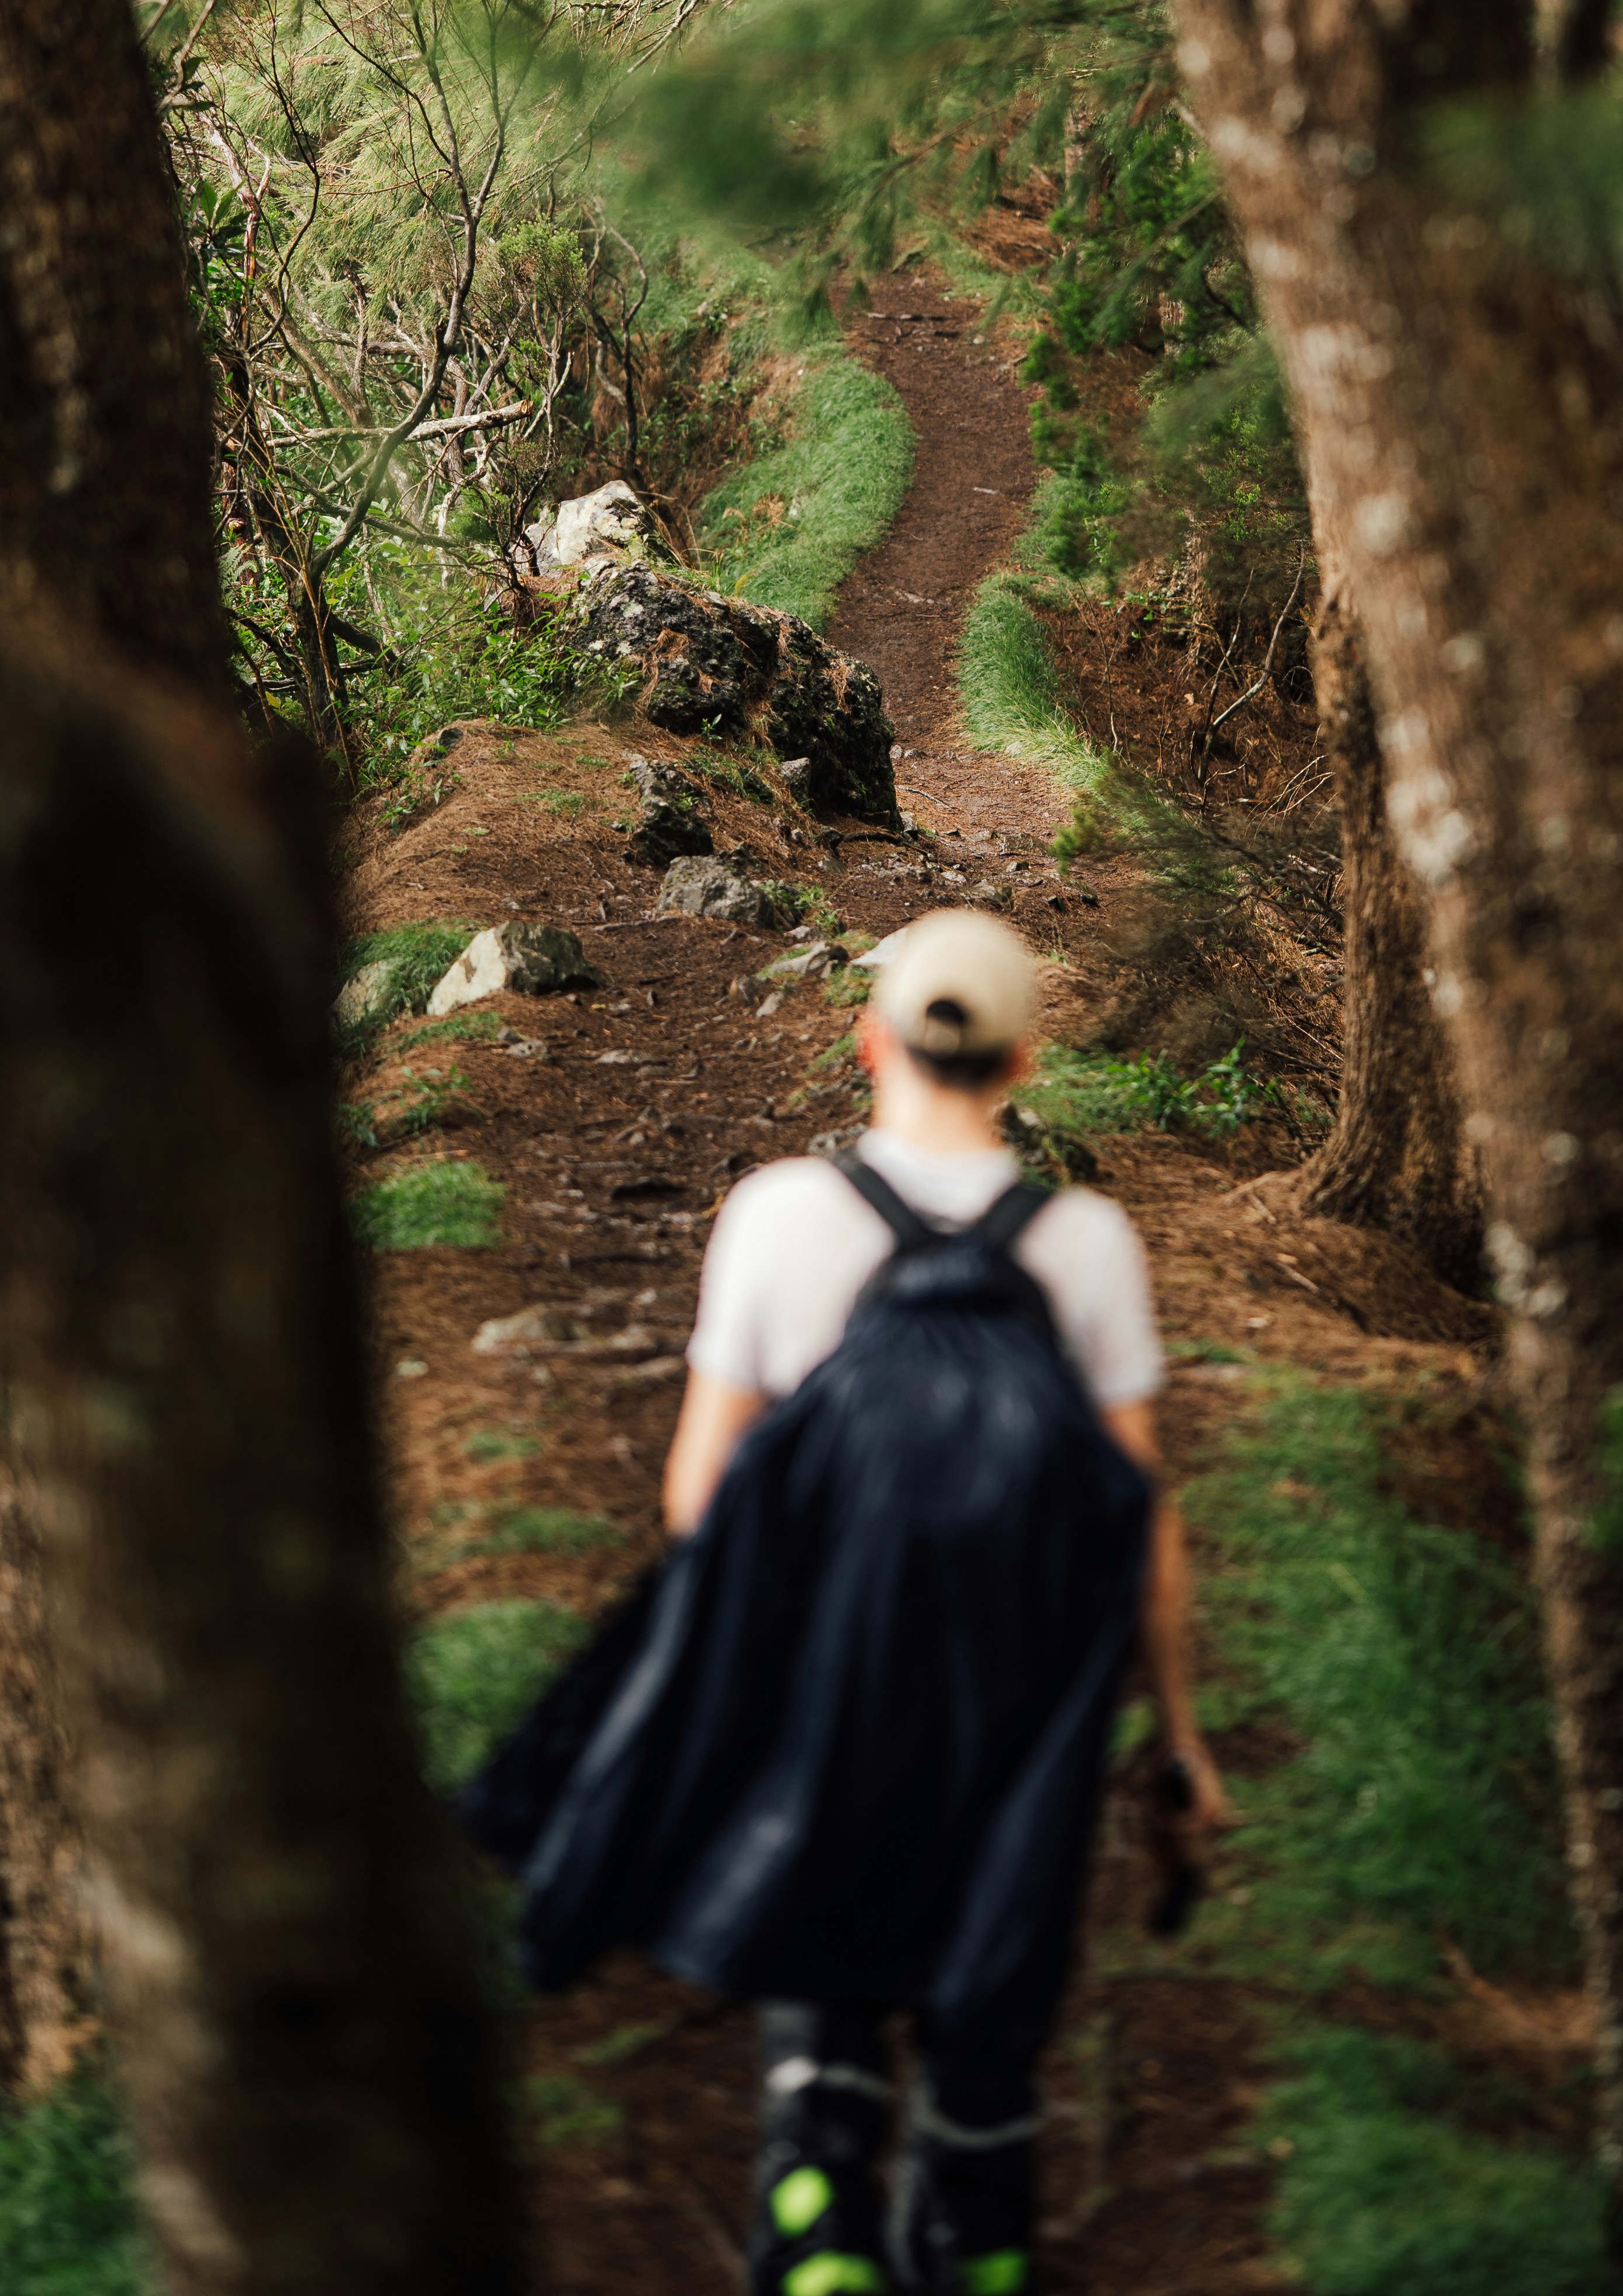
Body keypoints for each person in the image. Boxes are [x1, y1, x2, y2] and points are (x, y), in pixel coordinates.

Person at [660, 908, 1230, 2296]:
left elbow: (700, 1493)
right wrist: (1175, 1735)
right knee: (988, 1991)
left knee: (830, 1927)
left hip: (829, 1665)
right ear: (1025, 1062)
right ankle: (973, 2213)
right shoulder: (1084, 1244)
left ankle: (816, 2182)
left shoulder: (777, 1215)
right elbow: (1137, 1519)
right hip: (1025, 1680)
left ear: (869, 1045)